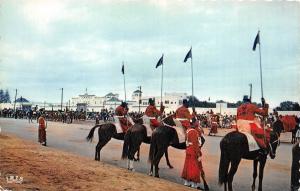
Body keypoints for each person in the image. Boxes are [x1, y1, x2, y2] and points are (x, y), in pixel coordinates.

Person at [181, 124, 202, 188]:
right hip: (193, 151)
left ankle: (187, 182)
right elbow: (196, 144)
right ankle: (193, 183)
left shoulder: (188, 130)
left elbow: (186, 141)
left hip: (188, 149)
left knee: (187, 166)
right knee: (194, 167)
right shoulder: (194, 132)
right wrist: (199, 154)